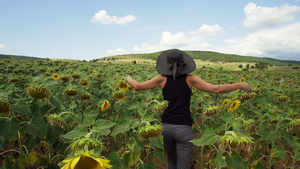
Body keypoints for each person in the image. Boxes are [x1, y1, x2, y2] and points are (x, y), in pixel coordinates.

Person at [125, 49, 253, 169]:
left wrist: (128, 78)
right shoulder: (190, 79)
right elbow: (216, 89)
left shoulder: (162, 79)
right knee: (183, 166)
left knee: (172, 162)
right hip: (183, 129)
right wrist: (240, 85)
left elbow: (137, 86)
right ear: (184, 64)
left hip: (166, 127)